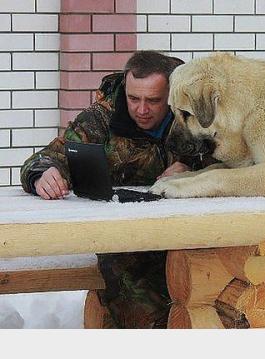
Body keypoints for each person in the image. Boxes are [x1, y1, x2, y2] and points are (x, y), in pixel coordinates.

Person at [20, 50, 212, 328]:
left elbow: (230, 161)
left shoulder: (193, 115)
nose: (141, 109)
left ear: (171, 95)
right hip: (128, 245)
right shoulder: (100, 119)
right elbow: (46, 158)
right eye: (133, 99)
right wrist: (42, 174)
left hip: (193, 237)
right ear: (125, 88)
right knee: (143, 313)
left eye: (153, 101)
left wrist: (192, 172)